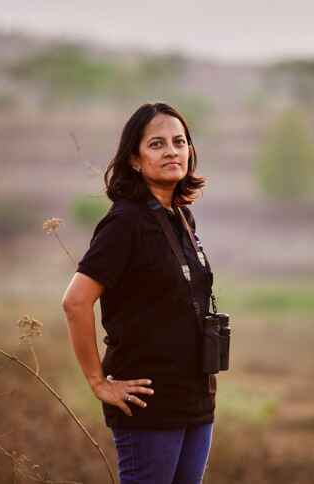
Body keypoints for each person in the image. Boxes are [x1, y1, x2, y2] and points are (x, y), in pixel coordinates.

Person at [61, 102, 216, 484]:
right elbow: (75, 301)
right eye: (157, 144)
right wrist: (99, 383)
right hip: (146, 403)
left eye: (179, 142)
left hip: (195, 397)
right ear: (134, 159)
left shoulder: (179, 215)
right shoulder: (125, 223)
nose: (172, 151)